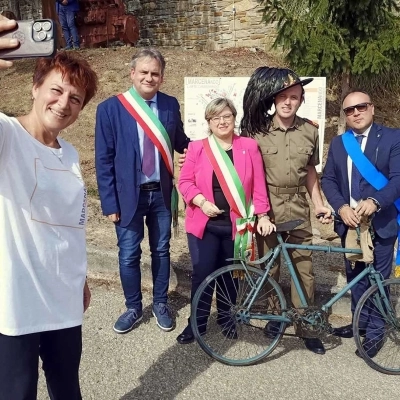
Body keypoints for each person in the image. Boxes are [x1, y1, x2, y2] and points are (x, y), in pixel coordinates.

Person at [0, 15, 98, 399]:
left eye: (75, 98)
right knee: (17, 392)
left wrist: (82, 277)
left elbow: (67, 226)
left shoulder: (70, 153)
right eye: (56, 91)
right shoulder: (8, 135)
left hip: (63, 297)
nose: (63, 104)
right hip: (18, 301)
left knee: (66, 388)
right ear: (34, 87)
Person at [95, 48, 190, 334]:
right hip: (127, 197)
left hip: (161, 194)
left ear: (162, 77)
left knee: (161, 250)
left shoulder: (171, 105)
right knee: (128, 254)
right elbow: (103, 159)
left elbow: (182, 141)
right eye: (144, 72)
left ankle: (160, 303)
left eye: (155, 73)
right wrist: (109, 203)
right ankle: (133, 307)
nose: (150, 77)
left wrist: (219, 146)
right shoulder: (111, 108)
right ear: (132, 73)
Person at [240, 67, 331, 355]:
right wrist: (259, 212)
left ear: (301, 101)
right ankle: (276, 318)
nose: (288, 102)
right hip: (269, 208)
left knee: (304, 268)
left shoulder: (309, 131)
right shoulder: (256, 132)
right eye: (283, 96)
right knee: (271, 267)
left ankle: (306, 326)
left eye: (294, 97)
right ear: (273, 99)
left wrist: (318, 203)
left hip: (298, 207)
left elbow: (310, 172)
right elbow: (248, 176)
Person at [176, 97, 275, 344]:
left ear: (234, 118)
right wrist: (201, 202)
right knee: (203, 274)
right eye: (216, 117)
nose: (222, 121)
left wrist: (262, 214)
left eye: (227, 116)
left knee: (232, 274)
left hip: (238, 225)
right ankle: (196, 322)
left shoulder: (249, 146)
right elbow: (185, 182)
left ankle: (226, 317)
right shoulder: (198, 148)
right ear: (209, 122)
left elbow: (259, 185)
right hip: (204, 224)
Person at [321, 89, 400, 358]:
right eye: (349, 110)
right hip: (350, 223)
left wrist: (376, 201)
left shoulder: (393, 137)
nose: (355, 113)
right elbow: (328, 180)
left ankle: (376, 332)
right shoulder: (340, 143)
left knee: (378, 278)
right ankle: (360, 325)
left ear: (372, 108)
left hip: (382, 222)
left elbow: (398, 179)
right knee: (356, 277)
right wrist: (341, 207)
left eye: (361, 107)